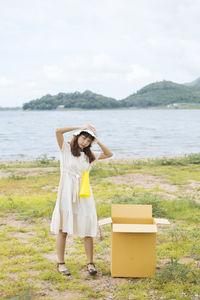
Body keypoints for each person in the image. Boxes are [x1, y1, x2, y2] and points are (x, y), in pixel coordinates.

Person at [50, 124, 113, 276]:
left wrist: (97, 141)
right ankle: (61, 263)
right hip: (66, 192)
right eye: (83, 137)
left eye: (88, 140)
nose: (85, 142)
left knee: (88, 229)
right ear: (78, 136)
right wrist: (80, 126)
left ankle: (90, 263)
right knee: (63, 229)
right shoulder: (65, 149)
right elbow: (58, 130)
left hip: (84, 194)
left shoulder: (89, 157)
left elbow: (109, 153)